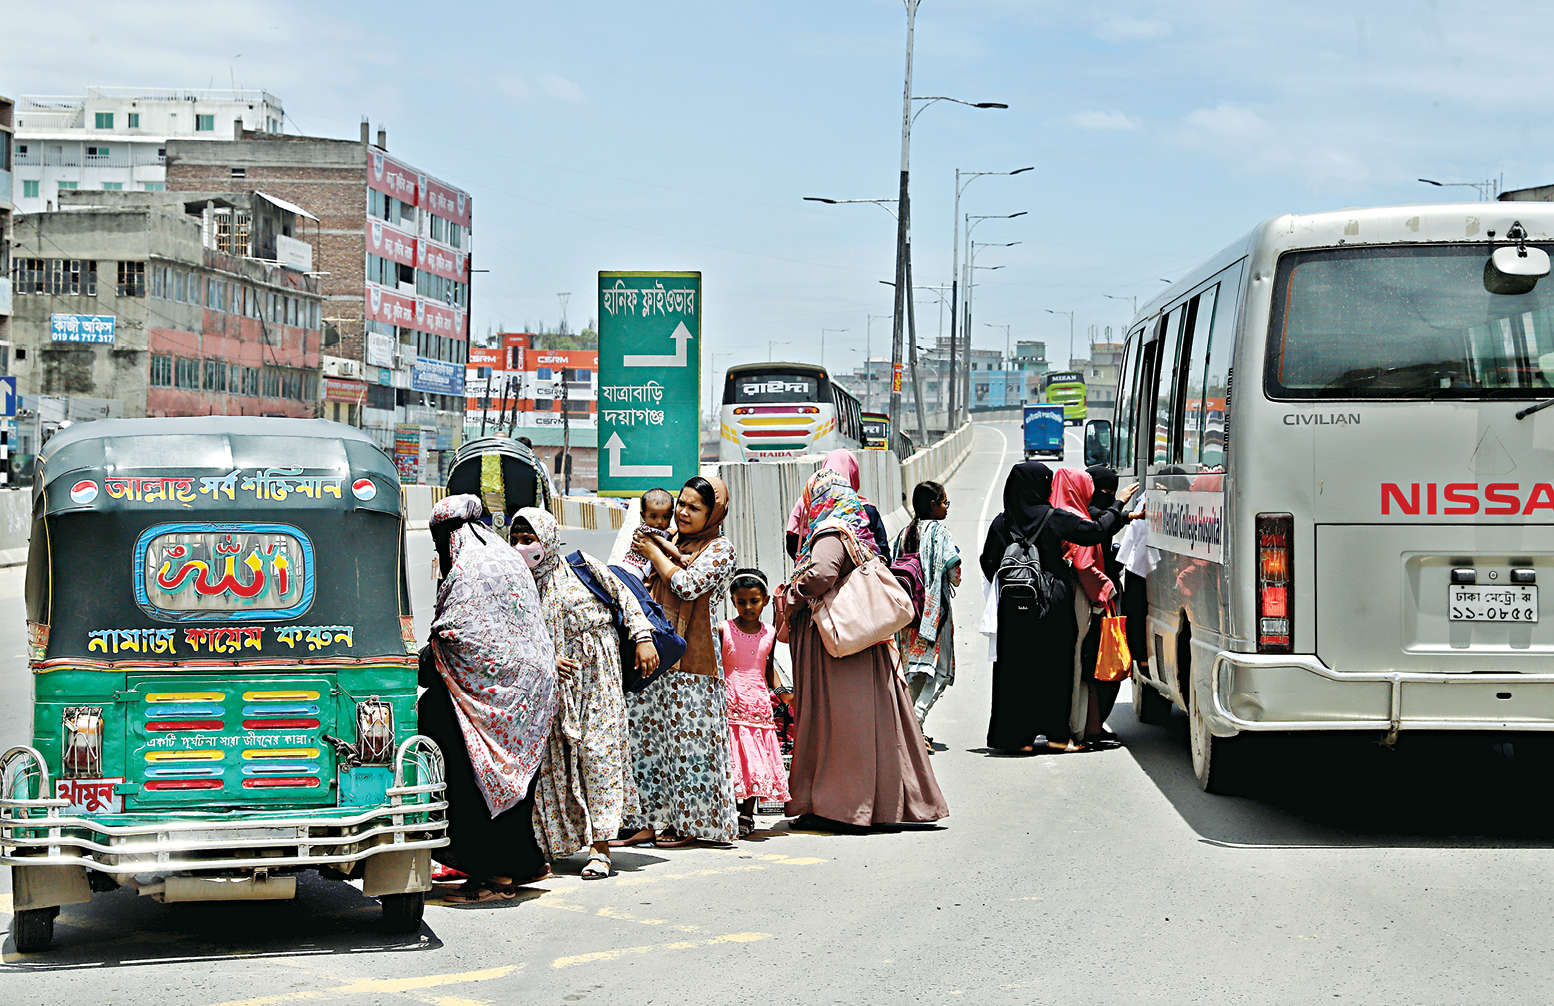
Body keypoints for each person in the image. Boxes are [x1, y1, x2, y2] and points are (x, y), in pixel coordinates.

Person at [783, 467, 948, 828]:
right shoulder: (856, 528)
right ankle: (881, 805)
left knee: (841, 725)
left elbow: (822, 575)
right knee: (874, 724)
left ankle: (841, 807)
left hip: (837, 650)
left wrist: (793, 593)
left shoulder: (829, 532)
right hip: (862, 642)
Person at [418, 495, 558, 903]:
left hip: (494, 692)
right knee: (510, 778)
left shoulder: (468, 567)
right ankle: (519, 864)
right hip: (527, 687)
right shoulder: (501, 555)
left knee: (470, 775)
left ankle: (489, 875)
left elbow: (458, 631)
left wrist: (424, 656)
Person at [510, 507, 656, 880]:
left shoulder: (581, 566)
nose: (522, 546)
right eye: (516, 539)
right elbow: (514, 640)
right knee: (556, 764)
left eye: (529, 539)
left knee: (598, 754)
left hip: (598, 676)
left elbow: (623, 596)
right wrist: (546, 661)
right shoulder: (517, 587)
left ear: (547, 539)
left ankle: (601, 847)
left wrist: (642, 637)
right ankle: (557, 844)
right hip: (553, 689)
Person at [614, 476, 740, 848]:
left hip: (693, 663)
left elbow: (688, 585)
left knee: (690, 746)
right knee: (647, 742)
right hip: (654, 654)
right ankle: (647, 821)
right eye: (680, 503)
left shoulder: (720, 549)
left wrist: (655, 555)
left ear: (713, 513)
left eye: (693, 507)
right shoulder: (668, 538)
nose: (682, 512)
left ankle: (689, 823)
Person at [980, 462, 1140, 754]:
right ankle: (1056, 737)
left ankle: (1016, 738)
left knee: (1013, 670)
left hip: (1013, 605)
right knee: (1055, 668)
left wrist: (1017, 582)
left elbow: (988, 562)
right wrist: (1118, 505)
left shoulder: (1001, 522)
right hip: (1053, 601)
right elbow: (1095, 531)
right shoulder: (1053, 518)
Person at [1051, 468, 1121, 744]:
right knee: (1081, 664)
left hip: (1056, 597)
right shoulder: (1076, 519)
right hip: (1081, 597)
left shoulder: (1052, 515)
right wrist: (1106, 590)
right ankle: (1078, 727)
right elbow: (1083, 565)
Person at [722, 569, 792, 837]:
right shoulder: (723, 630)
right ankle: (728, 811)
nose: (748, 607)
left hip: (758, 705)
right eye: (741, 602)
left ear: (765, 600)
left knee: (753, 761)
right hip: (729, 702)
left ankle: (747, 813)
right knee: (732, 759)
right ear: (733, 601)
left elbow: (769, 667)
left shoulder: (770, 633)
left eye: (754, 601)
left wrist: (784, 694)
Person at [893, 481, 962, 744]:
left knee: (913, 673)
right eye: (944, 502)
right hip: (933, 615)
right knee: (940, 672)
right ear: (933, 505)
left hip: (907, 615)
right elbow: (955, 576)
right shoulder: (940, 533)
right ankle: (916, 721)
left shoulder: (903, 533)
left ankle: (907, 727)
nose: (947, 508)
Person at [1083, 465, 1126, 738]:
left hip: (1095, 596)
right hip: (1100, 597)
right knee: (1101, 662)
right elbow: (1100, 524)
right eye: (1105, 491)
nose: (1108, 496)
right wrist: (1119, 505)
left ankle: (1090, 723)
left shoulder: (1078, 512)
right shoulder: (1082, 518)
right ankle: (1092, 725)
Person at [784, 449, 889, 560]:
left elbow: (792, 544)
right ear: (853, 474)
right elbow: (884, 554)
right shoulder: (865, 509)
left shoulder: (805, 504)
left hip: (814, 569)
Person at [619, 487, 682, 583]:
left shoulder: (664, 531)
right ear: (643, 516)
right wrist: (681, 556)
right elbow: (664, 543)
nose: (660, 521)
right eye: (653, 516)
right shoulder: (648, 530)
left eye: (665, 517)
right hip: (634, 568)